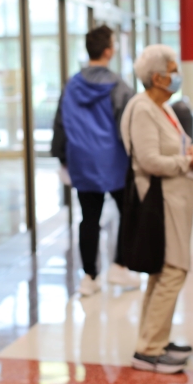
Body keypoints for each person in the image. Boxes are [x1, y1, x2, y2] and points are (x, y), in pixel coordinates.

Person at [120, 44, 193, 374]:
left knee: (163, 271)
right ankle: (149, 350)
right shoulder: (142, 109)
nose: (177, 74)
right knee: (173, 270)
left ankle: (154, 340)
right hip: (160, 201)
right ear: (157, 76)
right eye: (173, 68)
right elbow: (150, 161)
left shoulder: (161, 106)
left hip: (174, 200)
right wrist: (187, 161)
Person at [51, 25, 141, 295]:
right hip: (114, 161)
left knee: (89, 219)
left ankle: (89, 277)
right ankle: (120, 267)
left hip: (83, 162)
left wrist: (63, 157)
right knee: (128, 211)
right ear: (108, 50)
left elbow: (60, 124)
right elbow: (129, 124)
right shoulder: (118, 86)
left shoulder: (72, 85)